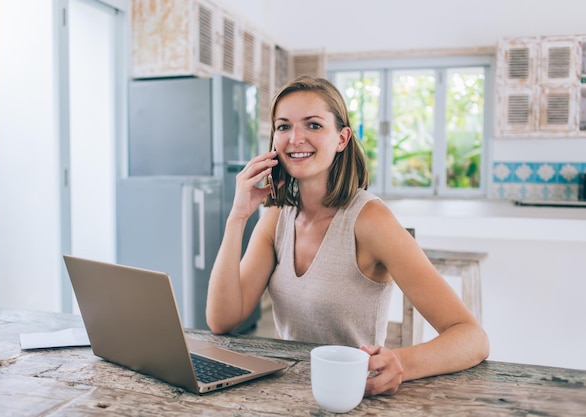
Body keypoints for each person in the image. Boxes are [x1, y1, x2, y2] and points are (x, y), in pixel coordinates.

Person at [206, 75, 489, 396]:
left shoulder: (370, 220)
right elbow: (222, 320)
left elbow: (472, 337)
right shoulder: (276, 217)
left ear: (342, 139)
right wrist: (237, 216)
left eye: (313, 125)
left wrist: (401, 362)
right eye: (283, 126)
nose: (295, 138)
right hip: (290, 392)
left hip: (356, 395)